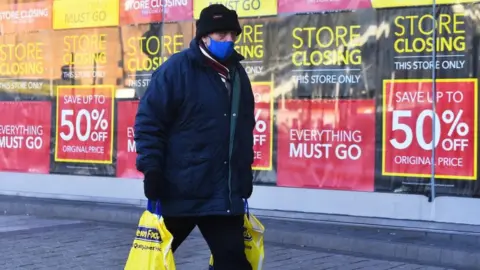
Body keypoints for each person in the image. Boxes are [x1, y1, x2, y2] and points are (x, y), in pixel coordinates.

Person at [134, 4, 255, 270]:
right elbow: (149, 123)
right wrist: (152, 170)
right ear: (203, 36)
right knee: (151, 263)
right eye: (221, 35)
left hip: (220, 194)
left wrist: (243, 175)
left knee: (234, 264)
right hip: (179, 189)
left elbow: (244, 128)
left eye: (233, 35)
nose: (229, 41)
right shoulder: (176, 70)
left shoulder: (237, 73)